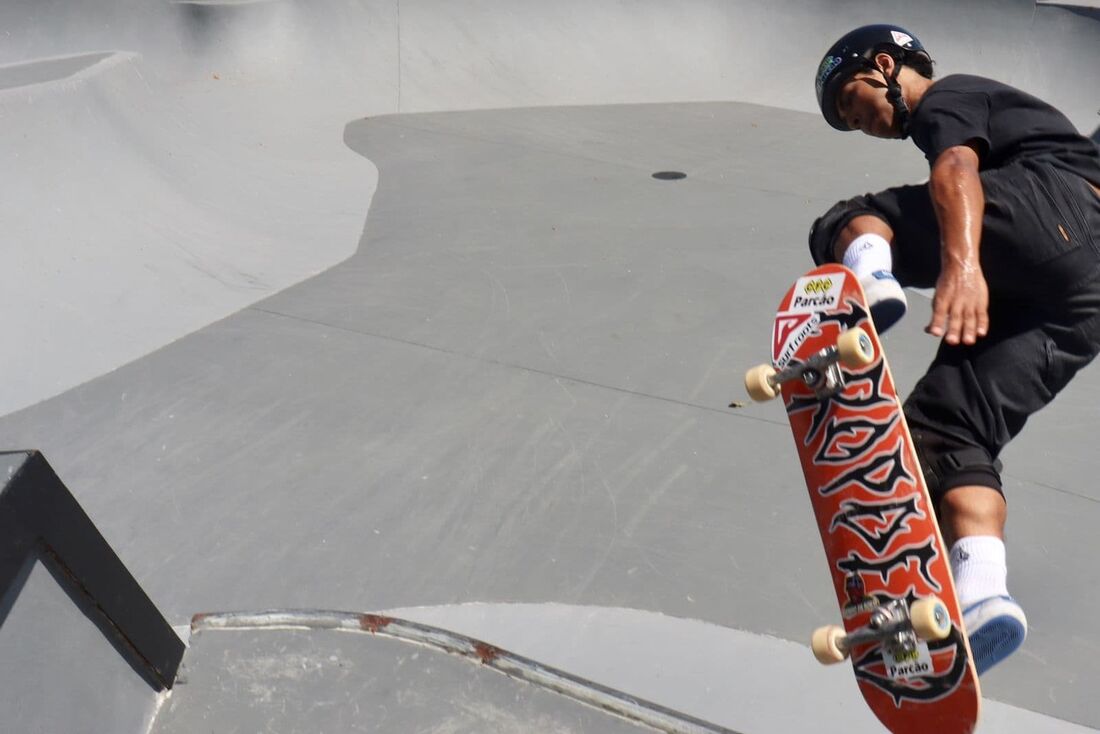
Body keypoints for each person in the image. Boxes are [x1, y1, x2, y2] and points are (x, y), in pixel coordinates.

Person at [811, 24, 1100, 674]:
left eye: (858, 104)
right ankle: (982, 597)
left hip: (1053, 213)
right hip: (1085, 296)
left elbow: (957, 167)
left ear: (886, 64)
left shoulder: (952, 96)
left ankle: (874, 277)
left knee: (850, 218)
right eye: (852, 124)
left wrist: (962, 265)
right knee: (951, 434)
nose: (865, 124)